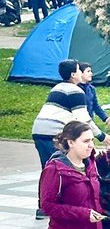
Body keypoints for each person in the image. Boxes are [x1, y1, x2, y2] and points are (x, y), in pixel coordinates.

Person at [32, 59, 104, 219]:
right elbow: (83, 118)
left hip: (38, 130)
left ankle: (42, 207)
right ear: (73, 75)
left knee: (48, 169)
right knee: (61, 169)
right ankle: (57, 206)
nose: (80, 73)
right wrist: (100, 135)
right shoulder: (76, 91)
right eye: (79, 70)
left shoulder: (57, 87)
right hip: (53, 134)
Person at [79, 64, 110, 140]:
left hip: (89, 122)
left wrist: (106, 118)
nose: (91, 73)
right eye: (88, 71)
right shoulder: (75, 89)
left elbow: (96, 106)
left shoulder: (91, 89)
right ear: (81, 73)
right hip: (77, 123)